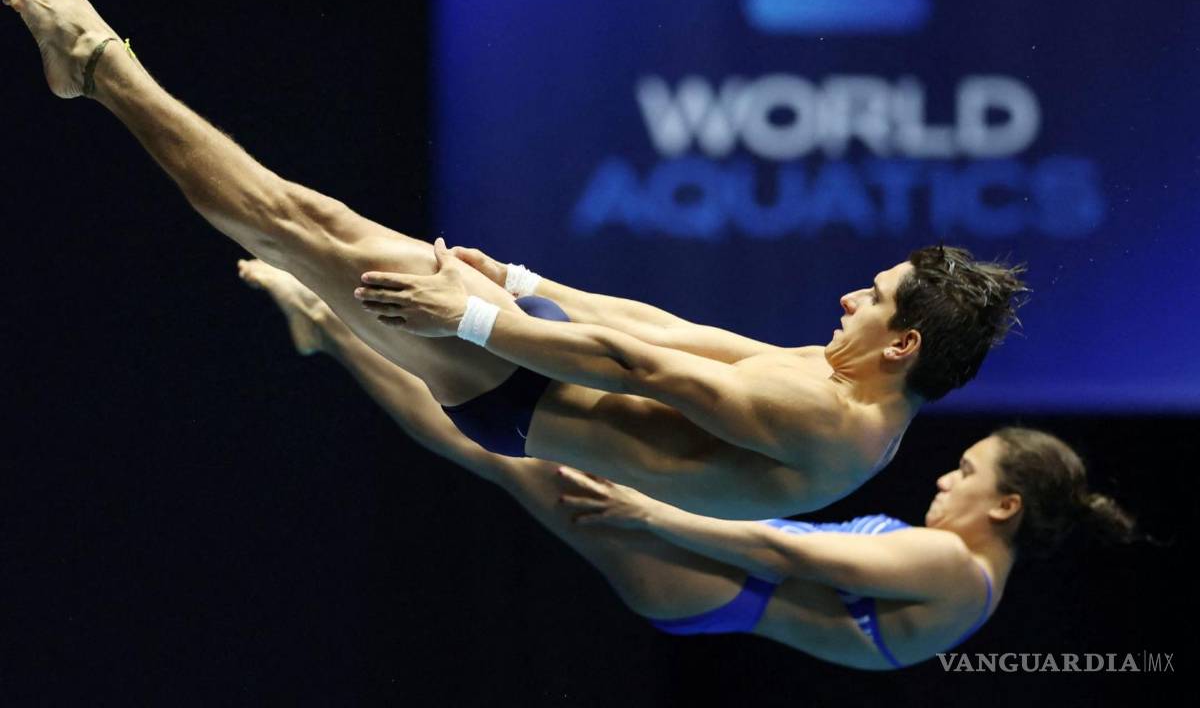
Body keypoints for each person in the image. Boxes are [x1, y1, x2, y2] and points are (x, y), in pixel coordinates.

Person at [1, 0, 1026, 518]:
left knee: (291, 216)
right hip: (523, 378)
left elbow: (639, 364)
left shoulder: (829, 416)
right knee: (310, 224)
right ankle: (323, 312)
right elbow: (673, 329)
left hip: (517, 384)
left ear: (904, 345)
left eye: (875, 296)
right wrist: (527, 282)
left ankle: (94, 61)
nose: (852, 297)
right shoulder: (840, 384)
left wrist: (483, 319)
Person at [239, 259, 1134, 670]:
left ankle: (332, 329)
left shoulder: (954, 568)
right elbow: (684, 342)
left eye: (967, 474)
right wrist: (528, 287)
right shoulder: (961, 582)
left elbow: (787, 555)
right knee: (499, 453)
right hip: (712, 574)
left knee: (500, 454)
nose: (946, 480)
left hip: (707, 578)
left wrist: (651, 514)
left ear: (1006, 507)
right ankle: (332, 331)